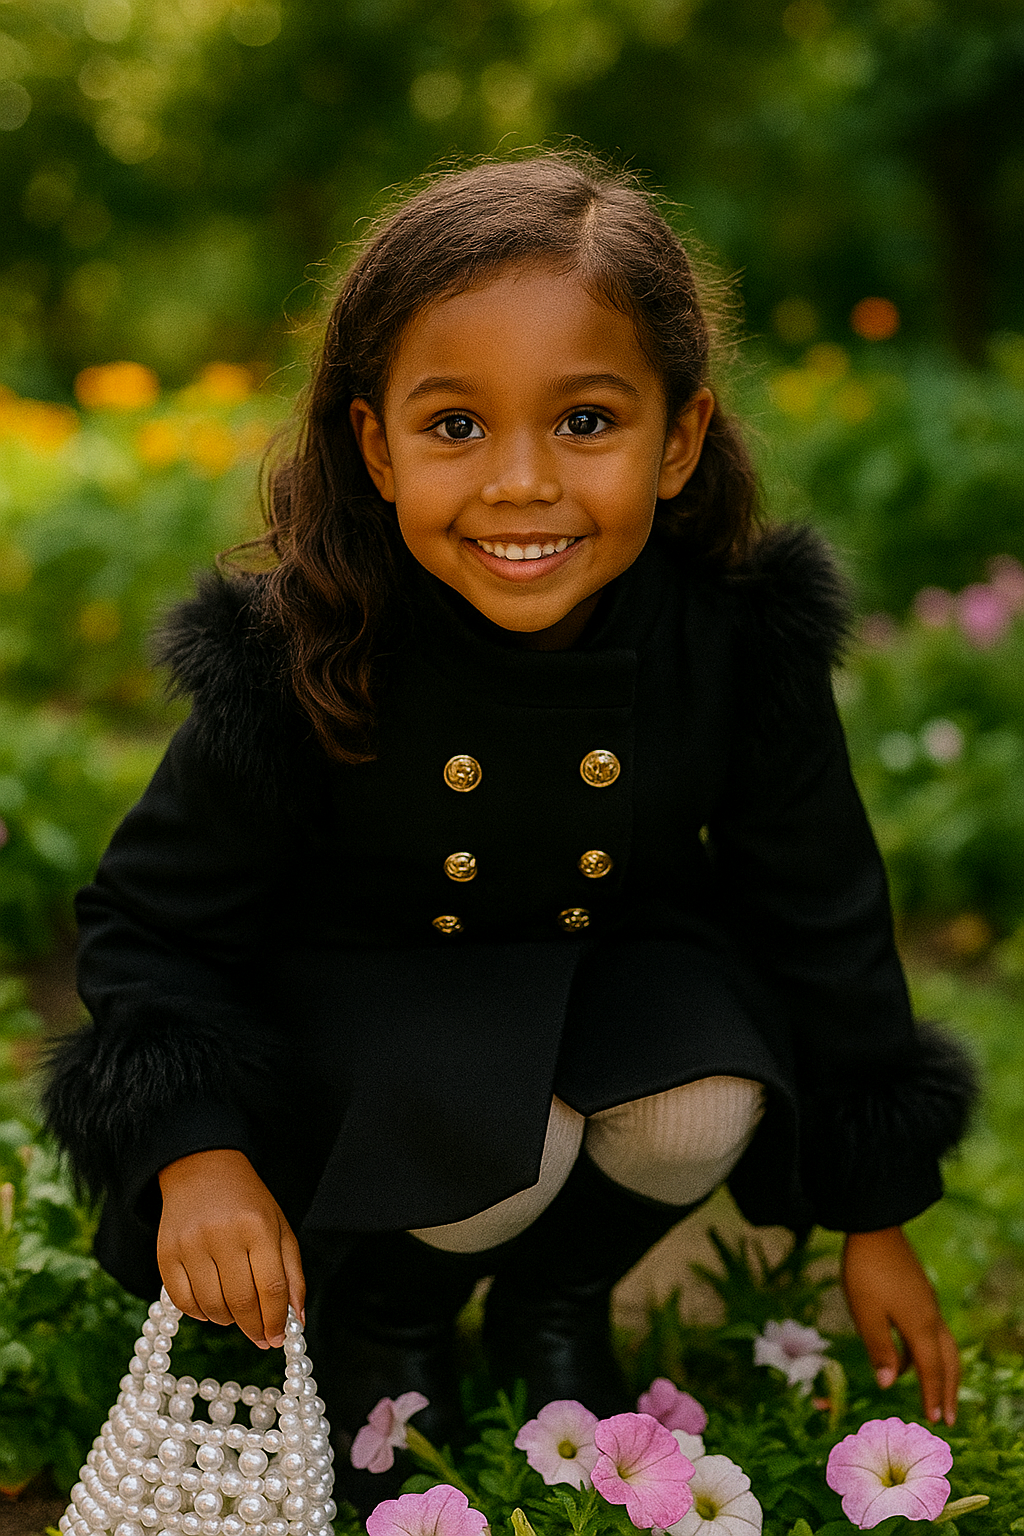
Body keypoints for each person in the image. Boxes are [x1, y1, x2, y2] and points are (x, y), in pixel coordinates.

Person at [44, 153, 973, 1502]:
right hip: (367, 1017)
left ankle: (556, 1303)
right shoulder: (301, 658)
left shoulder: (733, 642)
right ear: (376, 447)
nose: (521, 484)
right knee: (504, 1138)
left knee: (698, 1099)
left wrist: (876, 1206)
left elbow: (818, 902)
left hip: (610, 969)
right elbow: (146, 924)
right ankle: (392, 1316)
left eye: (586, 423)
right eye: (456, 427)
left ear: (680, 438)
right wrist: (195, 1153)